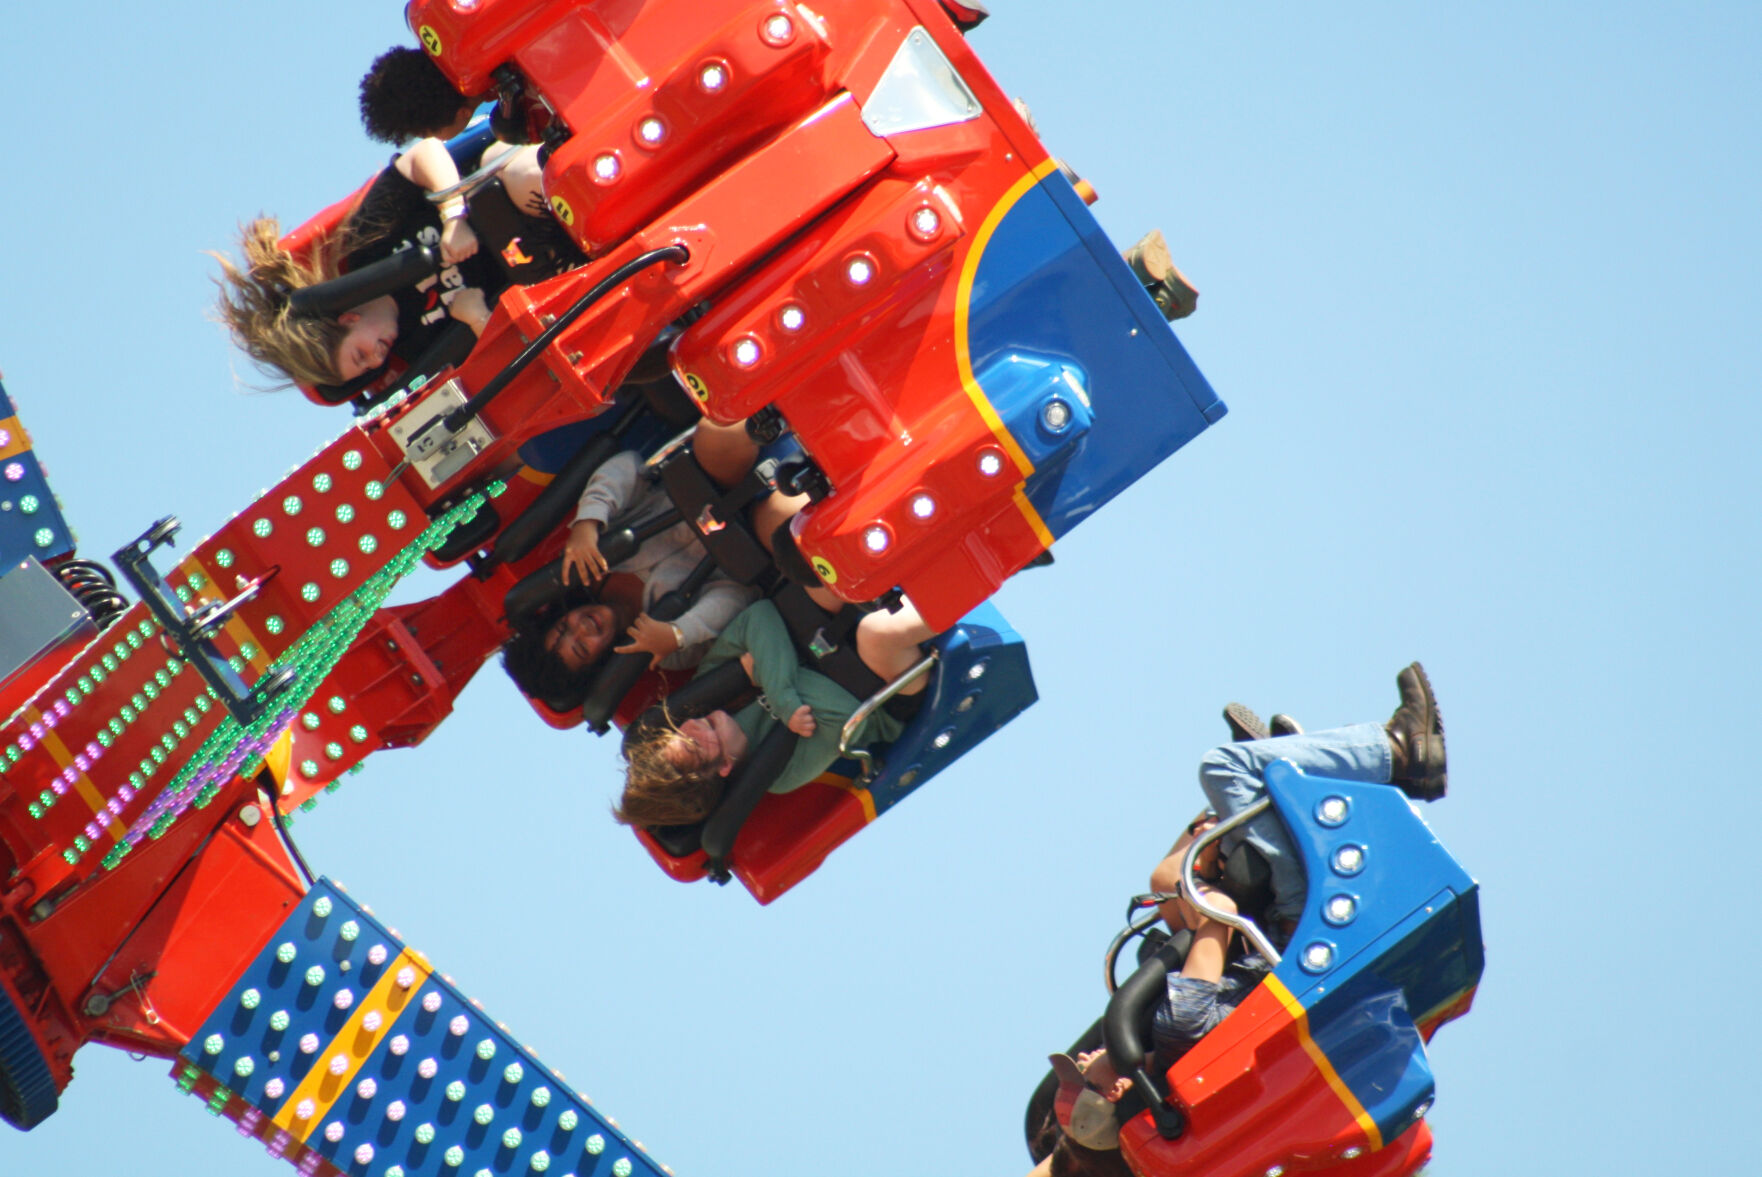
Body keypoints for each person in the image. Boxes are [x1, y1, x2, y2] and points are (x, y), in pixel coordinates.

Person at [212, 47, 550, 388]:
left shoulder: (368, 244)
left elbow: (425, 153)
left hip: (511, 190)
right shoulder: (417, 346)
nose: (377, 359)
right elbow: (511, 358)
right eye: (369, 368)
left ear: (348, 318)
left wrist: (453, 218)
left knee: (521, 174)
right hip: (549, 266)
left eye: (361, 355)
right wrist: (478, 319)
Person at [1150, 661, 1446, 940]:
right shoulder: (1205, 938)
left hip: (1278, 904)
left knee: (1226, 803)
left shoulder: (1194, 930)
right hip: (1292, 912)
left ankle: (1283, 771)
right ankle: (1397, 753)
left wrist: (1210, 859)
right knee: (1222, 767)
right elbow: (1173, 881)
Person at [612, 595, 934, 826]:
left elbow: (761, 616)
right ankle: (956, 584)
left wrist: (782, 697)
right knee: (876, 636)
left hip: (822, 637)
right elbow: (843, 711)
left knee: (814, 569)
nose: (692, 725)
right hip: (879, 690)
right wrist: (768, 664)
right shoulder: (779, 774)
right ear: (722, 768)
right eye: (694, 744)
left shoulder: (709, 695)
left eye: (678, 731)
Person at [501, 448, 759, 703]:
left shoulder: (586, 563)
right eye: (581, 648)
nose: (582, 628)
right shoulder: (667, 653)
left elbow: (630, 465)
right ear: (598, 666)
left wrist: (588, 520)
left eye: (564, 627)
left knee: (724, 442)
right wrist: (679, 633)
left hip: (709, 469)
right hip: (757, 526)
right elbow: (739, 593)